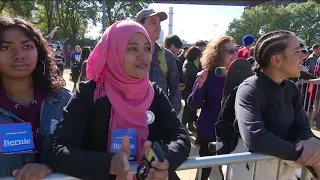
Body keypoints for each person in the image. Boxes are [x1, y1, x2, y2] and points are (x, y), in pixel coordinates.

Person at [48, 20, 190, 180]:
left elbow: (181, 138)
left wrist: (161, 159)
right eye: (132, 48)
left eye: (147, 48)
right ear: (112, 51)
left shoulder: (154, 92)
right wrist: (110, 164)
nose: (143, 56)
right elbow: (58, 150)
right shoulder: (89, 93)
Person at [231, 30, 320, 179]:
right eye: (297, 52)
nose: (303, 56)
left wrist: (311, 141)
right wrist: (303, 154)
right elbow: (255, 137)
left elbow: (302, 127)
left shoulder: (292, 89)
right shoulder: (249, 89)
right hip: (251, 173)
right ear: (277, 61)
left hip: (282, 172)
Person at [0, 15, 71, 179]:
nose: (19, 55)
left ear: (39, 51)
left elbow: (81, 151)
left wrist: (52, 166)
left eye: (27, 46)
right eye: (5, 47)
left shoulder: (65, 101)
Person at [188, 36, 237, 180]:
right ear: (218, 53)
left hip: (232, 131)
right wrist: (200, 84)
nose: (235, 54)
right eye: (231, 51)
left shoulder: (242, 75)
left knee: (229, 168)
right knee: (205, 167)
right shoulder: (207, 74)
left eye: (236, 50)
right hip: (210, 129)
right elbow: (193, 103)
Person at [136, 9, 182, 114]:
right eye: (153, 22)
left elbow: (175, 90)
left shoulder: (167, 56)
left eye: (159, 23)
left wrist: (170, 117)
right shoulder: (125, 54)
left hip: (159, 116)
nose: (158, 26)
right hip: (132, 117)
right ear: (139, 25)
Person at [181, 46, 202, 132]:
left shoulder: (191, 62)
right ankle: (183, 125)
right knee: (188, 109)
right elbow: (194, 74)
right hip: (188, 89)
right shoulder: (188, 63)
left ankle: (190, 125)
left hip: (191, 89)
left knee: (192, 109)